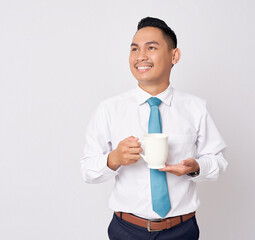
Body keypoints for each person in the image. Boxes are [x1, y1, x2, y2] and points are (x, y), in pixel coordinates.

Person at [81, 17, 228, 240]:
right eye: (134, 49)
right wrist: (114, 158)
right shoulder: (109, 109)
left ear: (174, 56)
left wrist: (195, 167)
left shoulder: (195, 108)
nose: (141, 56)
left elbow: (218, 161)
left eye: (151, 47)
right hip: (126, 230)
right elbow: (87, 170)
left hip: (182, 231)